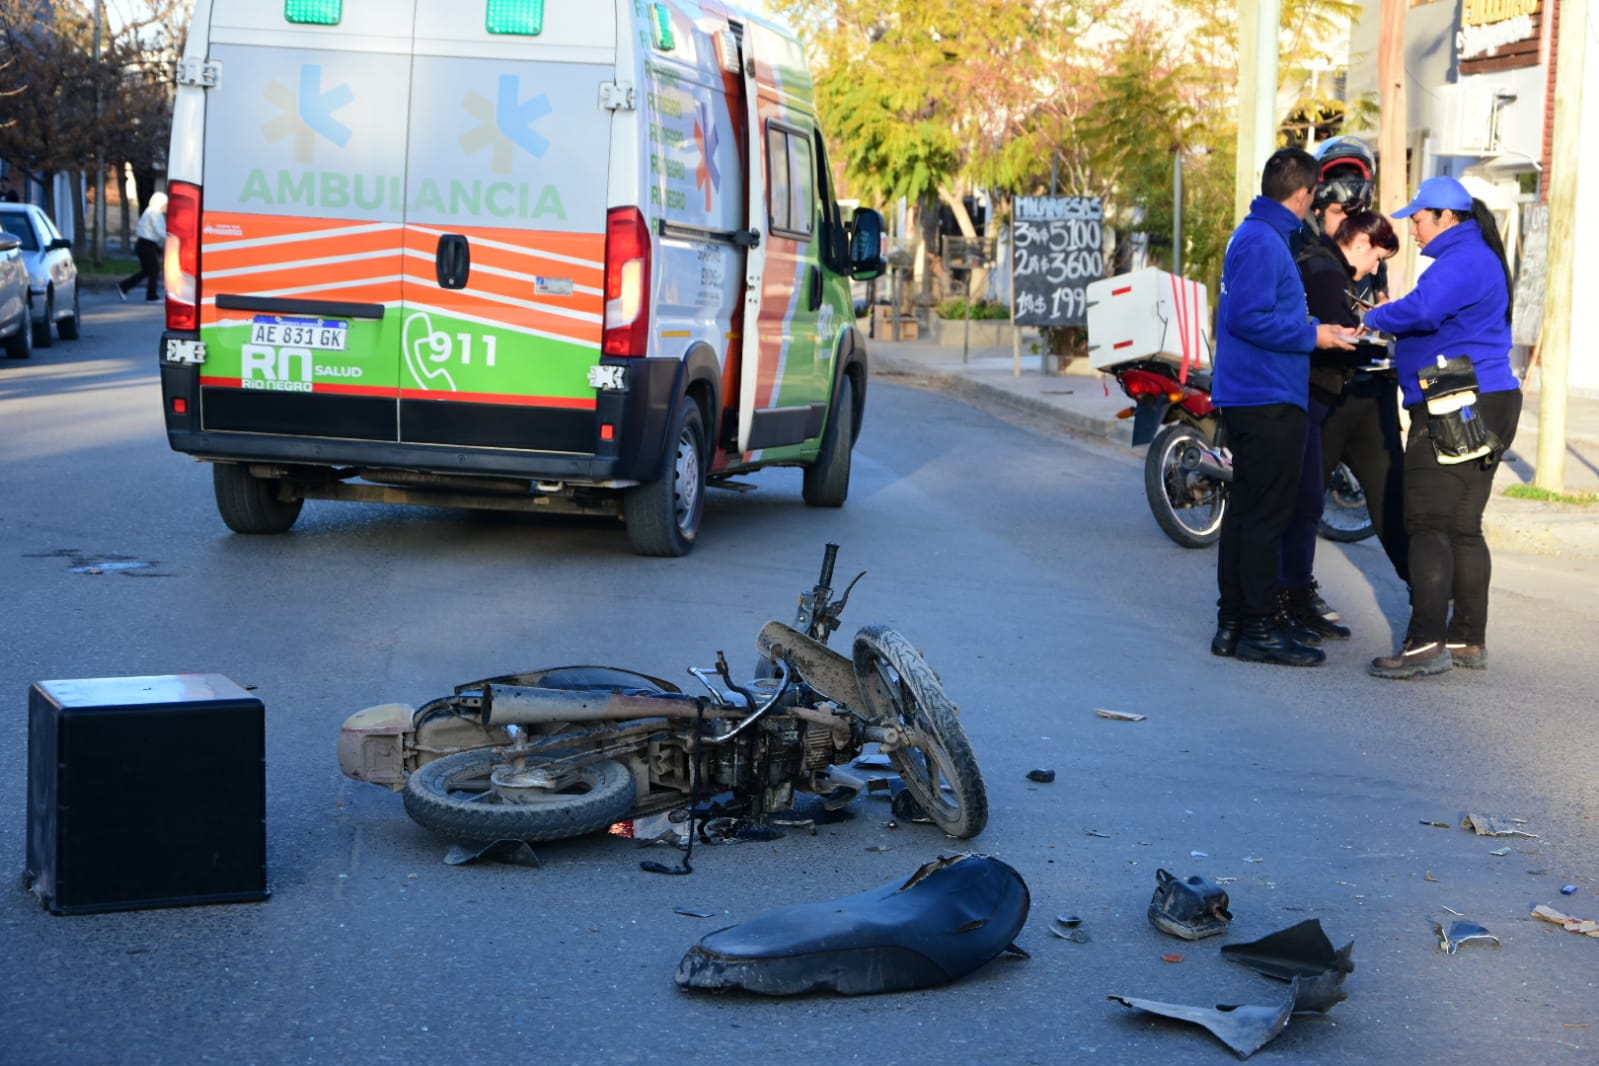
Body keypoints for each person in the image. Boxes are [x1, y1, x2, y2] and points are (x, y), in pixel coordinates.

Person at [1360, 176, 1522, 679]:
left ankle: (1425, 643)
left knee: (1428, 524)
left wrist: (1378, 315)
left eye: (1420, 219)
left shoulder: (1463, 260)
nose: (1413, 229)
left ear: (1447, 217)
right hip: (1486, 395)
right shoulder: (1473, 256)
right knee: (1461, 526)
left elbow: (1423, 309)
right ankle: (1467, 639)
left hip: (1458, 398)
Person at [1210, 147, 1358, 667]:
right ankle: (1257, 628)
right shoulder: (1262, 241)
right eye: (1317, 193)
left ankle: (1235, 624)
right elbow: (1248, 319)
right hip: (1266, 396)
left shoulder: (1260, 236)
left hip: (1260, 393)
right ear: (1305, 193)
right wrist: (1314, 334)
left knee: (1250, 514)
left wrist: (1321, 332)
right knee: (1264, 517)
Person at [1279, 137, 1410, 641]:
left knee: (1391, 501)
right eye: (1337, 210)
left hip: (1368, 393)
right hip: (1319, 392)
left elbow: (1378, 308)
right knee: (1301, 502)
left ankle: (1427, 608)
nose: (1346, 220)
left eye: (1355, 209)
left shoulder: (1363, 249)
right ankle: (1289, 595)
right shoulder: (1303, 251)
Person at [119, 191, 167, 302]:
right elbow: (160, 231)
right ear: (160, 204)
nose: (166, 207)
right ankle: (151, 296)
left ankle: (124, 286)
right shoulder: (154, 213)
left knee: (147, 271)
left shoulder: (152, 212)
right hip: (147, 245)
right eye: (165, 204)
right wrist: (170, 237)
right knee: (153, 270)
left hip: (146, 245)